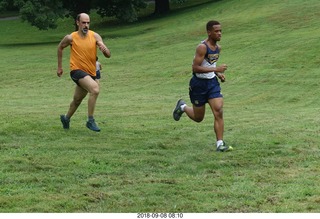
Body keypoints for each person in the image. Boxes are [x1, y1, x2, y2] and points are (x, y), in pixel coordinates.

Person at [173, 20, 233, 152]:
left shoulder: (218, 48)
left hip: (212, 84)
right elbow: (195, 68)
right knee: (198, 118)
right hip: (198, 84)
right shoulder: (202, 47)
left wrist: (217, 74)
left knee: (218, 110)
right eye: (216, 31)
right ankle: (182, 107)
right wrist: (217, 69)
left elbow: (210, 65)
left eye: (220, 31)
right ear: (209, 32)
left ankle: (220, 144)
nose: (219, 33)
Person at [57, 13, 111, 132]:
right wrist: (60, 67)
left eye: (88, 23)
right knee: (95, 89)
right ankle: (90, 120)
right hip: (76, 71)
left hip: (90, 72)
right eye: (83, 23)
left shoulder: (95, 36)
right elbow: (60, 47)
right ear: (77, 23)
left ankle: (66, 118)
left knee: (77, 100)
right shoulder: (71, 37)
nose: (86, 25)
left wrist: (104, 49)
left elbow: (108, 55)